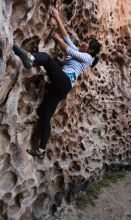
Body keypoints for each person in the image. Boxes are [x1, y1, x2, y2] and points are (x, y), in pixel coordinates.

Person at [13, 6, 102, 159]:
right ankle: (41, 150)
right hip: (62, 88)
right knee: (45, 113)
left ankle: (31, 59)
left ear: (91, 50)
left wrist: (58, 39)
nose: (83, 43)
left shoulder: (88, 58)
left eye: (86, 43)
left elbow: (68, 49)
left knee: (47, 59)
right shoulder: (81, 53)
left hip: (64, 82)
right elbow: (67, 38)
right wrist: (57, 17)